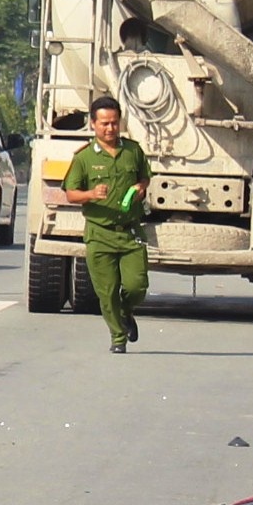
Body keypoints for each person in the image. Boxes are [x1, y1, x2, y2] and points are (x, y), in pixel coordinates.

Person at [59, 94, 151, 352]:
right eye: (104, 124)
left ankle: (126, 310)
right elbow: (71, 193)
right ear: (93, 124)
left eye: (114, 123)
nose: (110, 128)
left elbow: (145, 176)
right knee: (107, 292)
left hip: (130, 232)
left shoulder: (132, 151)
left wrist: (141, 187)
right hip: (100, 234)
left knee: (137, 286)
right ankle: (118, 338)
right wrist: (90, 194)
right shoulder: (84, 158)